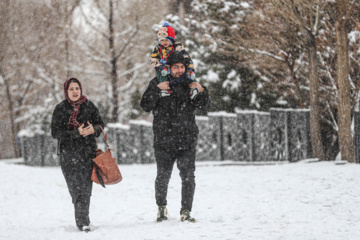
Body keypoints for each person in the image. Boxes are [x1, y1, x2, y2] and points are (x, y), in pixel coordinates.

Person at [140, 51, 210, 222]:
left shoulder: (190, 84)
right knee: (163, 176)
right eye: (176, 67)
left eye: (182, 67)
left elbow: (204, 106)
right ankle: (161, 208)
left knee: (188, 176)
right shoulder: (158, 82)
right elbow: (145, 106)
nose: (179, 70)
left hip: (187, 140)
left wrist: (202, 90)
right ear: (168, 68)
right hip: (164, 140)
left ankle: (186, 211)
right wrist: (156, 90)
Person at [51, 78, 104, 232]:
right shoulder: (60, 108)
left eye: (77, 88)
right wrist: (76, 132)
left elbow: (100, 124)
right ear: (66, 91)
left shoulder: (89, 105)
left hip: (88, 152)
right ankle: (82, 218)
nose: (75, 92)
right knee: (75, 188)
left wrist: (93, 130)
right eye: (71, 89)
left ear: (81, 90)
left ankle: (83, 222)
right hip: (68, 154)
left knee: (86, 188)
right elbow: (55, 132)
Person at [150, 21, 197, 89]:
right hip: (164, 67)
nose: (164, 42)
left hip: (177, 67)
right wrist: (160, 66)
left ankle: (193, 87)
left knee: (188, 74)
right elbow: (153, 59)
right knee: (161, 74)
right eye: (162, 40)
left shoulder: (177, 46)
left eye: (166, 40)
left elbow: (187, 57)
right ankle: (165, 88)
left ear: (171, 40)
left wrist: (190, 68)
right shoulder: (158, 48)